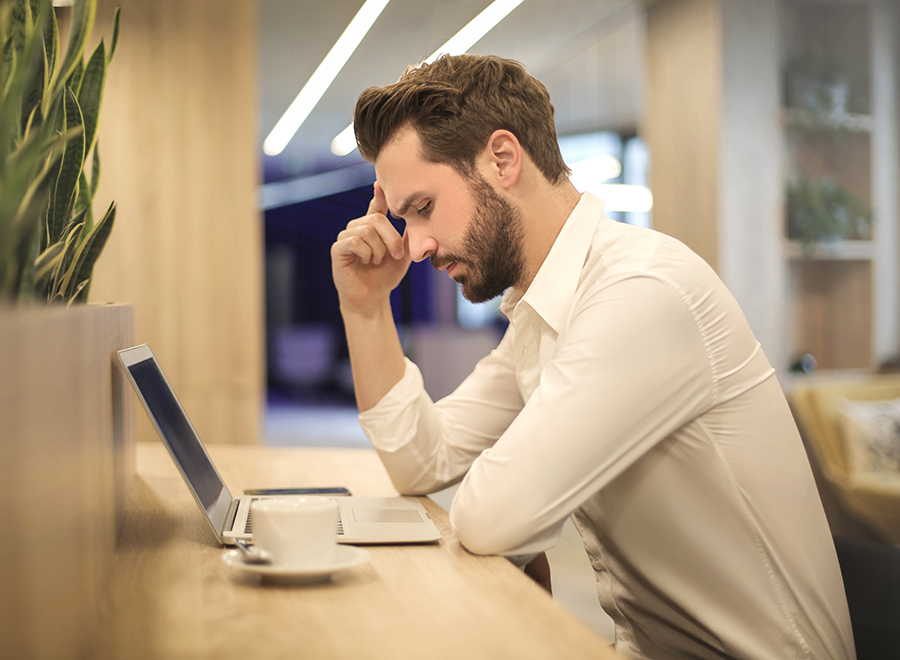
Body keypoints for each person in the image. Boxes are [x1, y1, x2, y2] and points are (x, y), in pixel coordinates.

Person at [330, 54, 855, 660]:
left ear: (502, 160)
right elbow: (422, 461)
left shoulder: (641, 291)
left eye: (423, 208)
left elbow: (491, 518)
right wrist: (366, 310)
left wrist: (514, 507)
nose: (414, 244)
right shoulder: (543, 309)